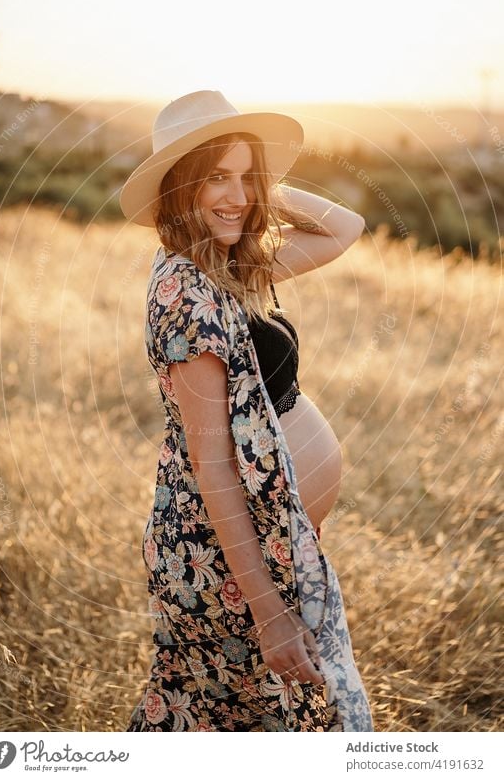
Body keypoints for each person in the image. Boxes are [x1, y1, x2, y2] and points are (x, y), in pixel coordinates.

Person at [120, 90, 373, 732]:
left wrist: (255, 190)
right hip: (222, 562)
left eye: (246, 176)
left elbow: (346, 228)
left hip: (264, 547)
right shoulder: (187, 293)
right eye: (214, 178)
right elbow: (212, 466)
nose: (236, 195)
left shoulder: (228, 267)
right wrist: (268, 611)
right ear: (178, 189)